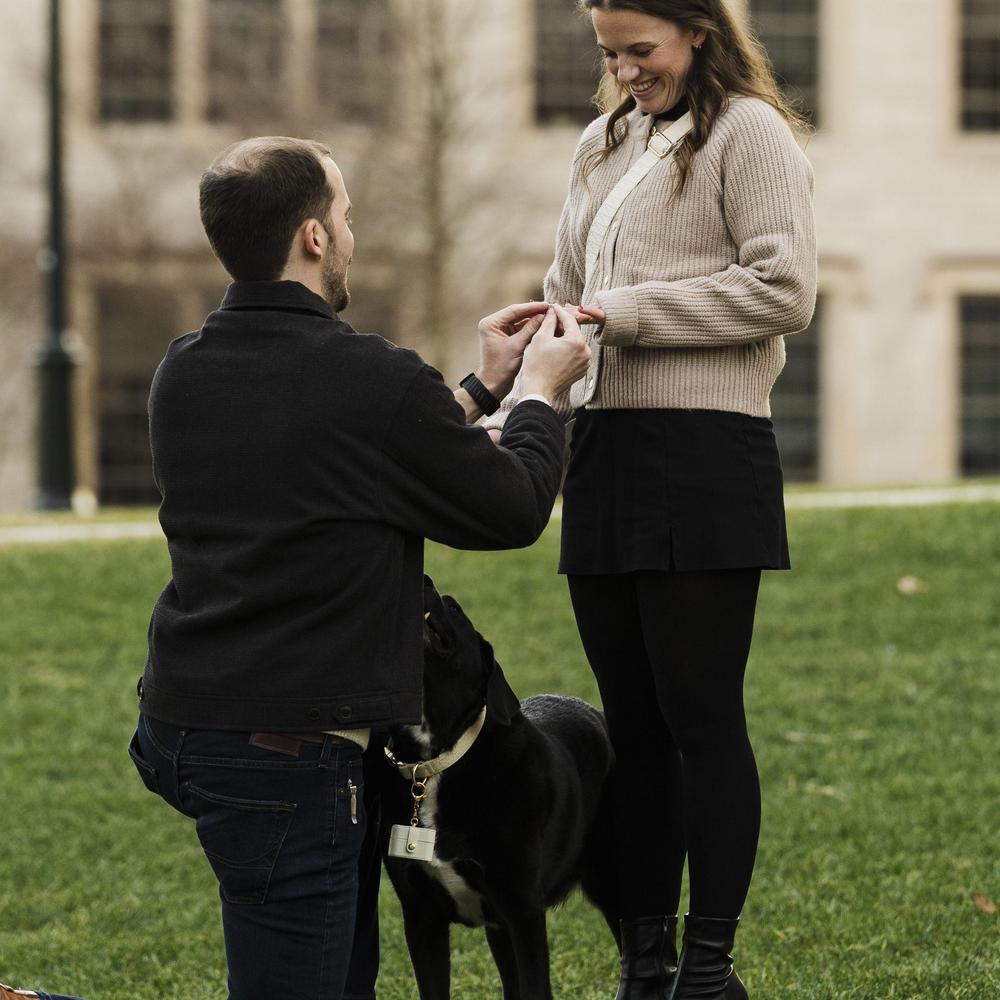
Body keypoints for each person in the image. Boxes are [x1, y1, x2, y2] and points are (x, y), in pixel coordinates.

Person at [126, 135, 590, 1000]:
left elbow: (332, 465)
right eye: (345, 216)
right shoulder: (369, 378)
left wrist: (477, 394)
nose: (352, 234)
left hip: (185, 724)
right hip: (286, 750)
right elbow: (511, 508)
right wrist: (539, 396)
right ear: (311, 236)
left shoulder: (182, 370)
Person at [485, 2, 817, 998]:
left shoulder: (747, 132)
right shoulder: (603, 142)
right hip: (607, 449)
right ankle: (646, 961)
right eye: (610, 54)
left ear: (699, 32)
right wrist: (532, 348)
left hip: (707, 448)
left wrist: (612, 316)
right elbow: (571, 283)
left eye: (644, 50)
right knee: (630, 727)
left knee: (700, 719)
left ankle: (708, 968)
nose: (627, 70)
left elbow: (782, 289)